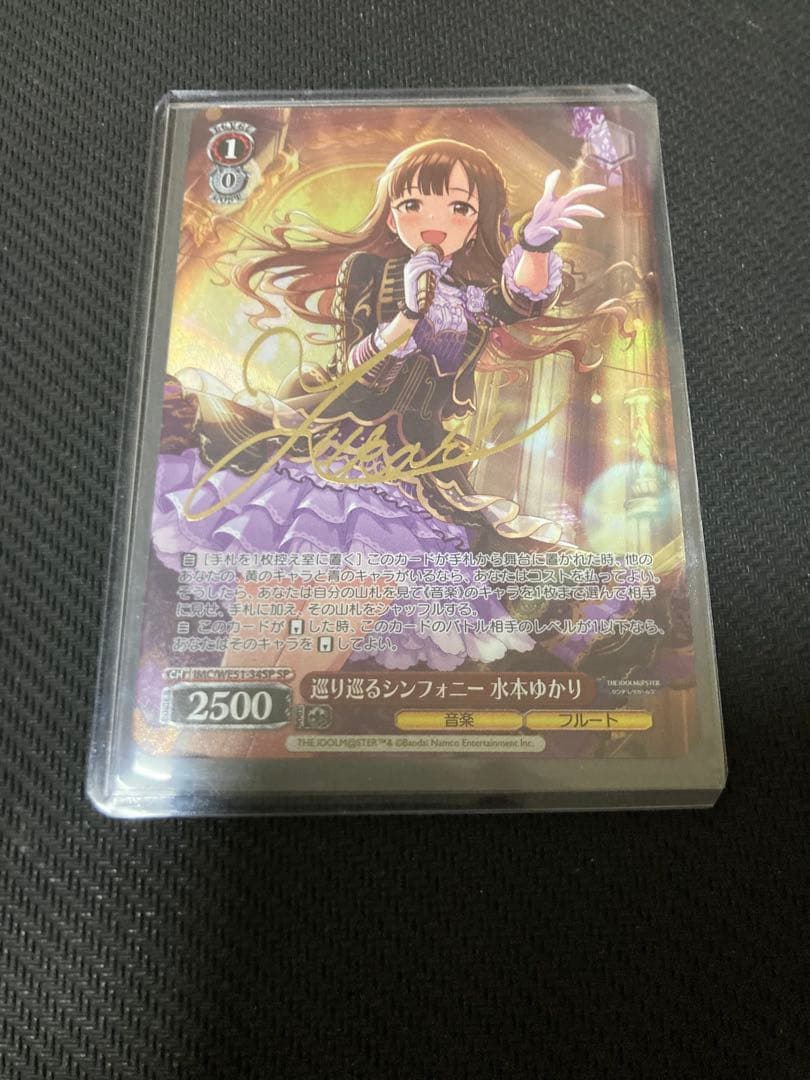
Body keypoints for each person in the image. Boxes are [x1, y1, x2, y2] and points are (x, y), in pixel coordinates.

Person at [154, 139, 607, 669]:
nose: (434, 220)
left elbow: (518, 299)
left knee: (318, 652)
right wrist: (406, 318)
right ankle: (238, 712)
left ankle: (277, 715)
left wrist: (535, 245)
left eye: (458, 207)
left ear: (475, 223)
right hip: (327, 456)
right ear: (392, 216)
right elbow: (354, 371)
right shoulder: (368, 271)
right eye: (413, 204)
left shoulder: (472, 297)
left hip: (410, 481)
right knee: (258, 643)